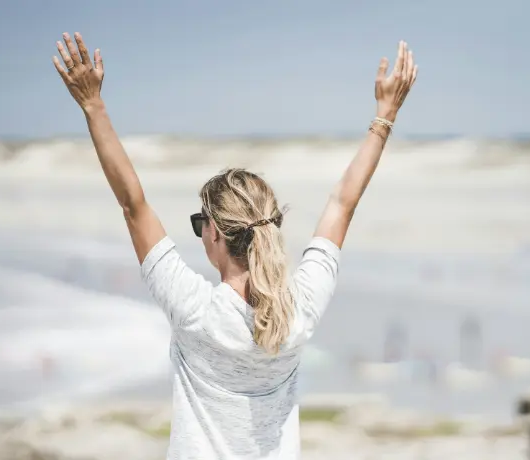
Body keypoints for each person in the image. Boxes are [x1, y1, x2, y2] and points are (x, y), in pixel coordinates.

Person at [52, 32, 417, 460]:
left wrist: (93, 105)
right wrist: (385, 115)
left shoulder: (195, 312)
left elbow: (133, 204)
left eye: (198, 222)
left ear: (215, 234)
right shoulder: (297, 313)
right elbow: (342, 205)